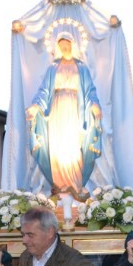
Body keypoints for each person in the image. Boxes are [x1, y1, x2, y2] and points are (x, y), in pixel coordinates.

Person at [26, 32, 102, 199]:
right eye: (61, 45)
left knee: (73, 147)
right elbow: (44, 90)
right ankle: (60, 186)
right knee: (57, 146)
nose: (64, 48)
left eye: (67, 45)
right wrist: (36, 106)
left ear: (73, 45)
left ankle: (75, 185)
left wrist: (95, 105)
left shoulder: (81, 67)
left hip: (75, 109)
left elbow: (90, 90)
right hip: (57, 109)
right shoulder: (53, 68)